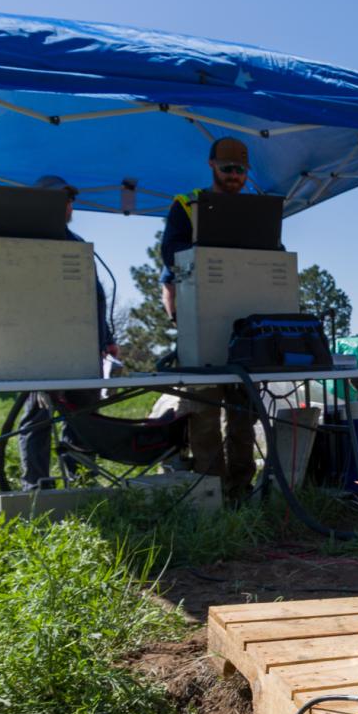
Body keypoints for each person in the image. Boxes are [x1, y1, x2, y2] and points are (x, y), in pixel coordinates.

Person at [158, 136, 258, 504]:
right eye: (228, 169)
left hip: (245, 327)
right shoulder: (186, 205)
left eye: (241, 171)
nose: (235, 177)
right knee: (203, 412)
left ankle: (240, 489)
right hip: (200, 325)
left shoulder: (254, 210)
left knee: (243, 413)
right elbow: (171, 252)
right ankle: (209, 492)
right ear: (212, 166)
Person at [17, 175, 118, 489]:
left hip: (85, 349)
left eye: (70, 199)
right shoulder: (26, 242)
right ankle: (36, 487)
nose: (69, 205)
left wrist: (108, 339)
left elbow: (94, 297)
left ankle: (83, 481)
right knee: (39, 416)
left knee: (84, 416)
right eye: (62, 199)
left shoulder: (75, 243)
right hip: (43, 349)